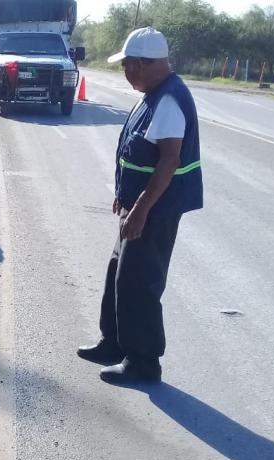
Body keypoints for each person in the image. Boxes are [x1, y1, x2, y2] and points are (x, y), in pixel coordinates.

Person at [76, 27, 203, 383]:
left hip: (156, 209)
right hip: (139, 204)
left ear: (143, 64)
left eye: (127, 66)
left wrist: (142, 209)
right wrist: (126, 194)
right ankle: (114, 343)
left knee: (140, 282)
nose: (124, 73)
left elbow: (169, 162)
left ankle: (144, 362)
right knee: (119, 272)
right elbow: (138, 153)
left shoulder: (169, 100)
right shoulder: (152, 93)